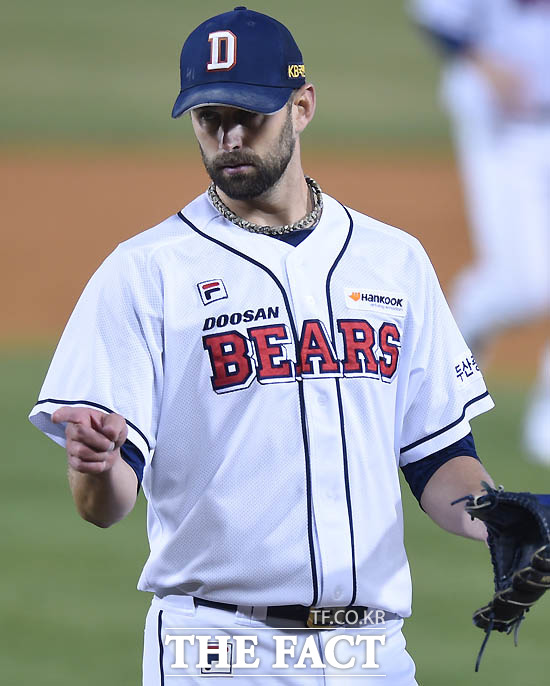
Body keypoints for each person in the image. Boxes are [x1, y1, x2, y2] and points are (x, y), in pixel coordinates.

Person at [30, 7, 497, 684]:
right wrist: (95, 467)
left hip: (372, 652)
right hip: (216, 646)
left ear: (302, 106)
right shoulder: (147, 271)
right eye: (209, 118)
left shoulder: (394, 261)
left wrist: (499, 514)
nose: (228, 137)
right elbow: (106, 506)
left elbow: (438, 457)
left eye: (250, 115)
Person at [410, 0, 550, 464]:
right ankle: (464, 316)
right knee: (527, 286)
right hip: (504, 128)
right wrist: (484, 63)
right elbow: (437, 16)